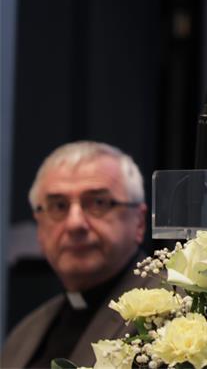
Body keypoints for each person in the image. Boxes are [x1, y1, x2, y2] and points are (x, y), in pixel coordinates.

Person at [2, 141, 150, 368]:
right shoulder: (24, 334)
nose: (75, 224)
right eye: (59, 206)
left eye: (98, 202)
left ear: (139, 222)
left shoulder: (171, 316)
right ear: (39, 227)